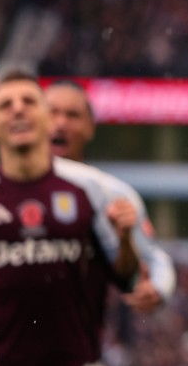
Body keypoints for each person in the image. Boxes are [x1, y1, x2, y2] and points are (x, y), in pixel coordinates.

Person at [0, 69, 145, 366]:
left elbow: (126, 277)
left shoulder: (88, 192)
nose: (18, 109)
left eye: (29, 101)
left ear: (47, 120)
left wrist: (126, 238)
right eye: (6, 105)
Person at [46, 78, 177, 313]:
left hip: (79, 338)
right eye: (51, 112)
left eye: (72, 115)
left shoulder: (111, 193)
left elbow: (153, 259)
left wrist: (157, 287)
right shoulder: (0, 187)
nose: (60, 123)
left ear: (90, 127)